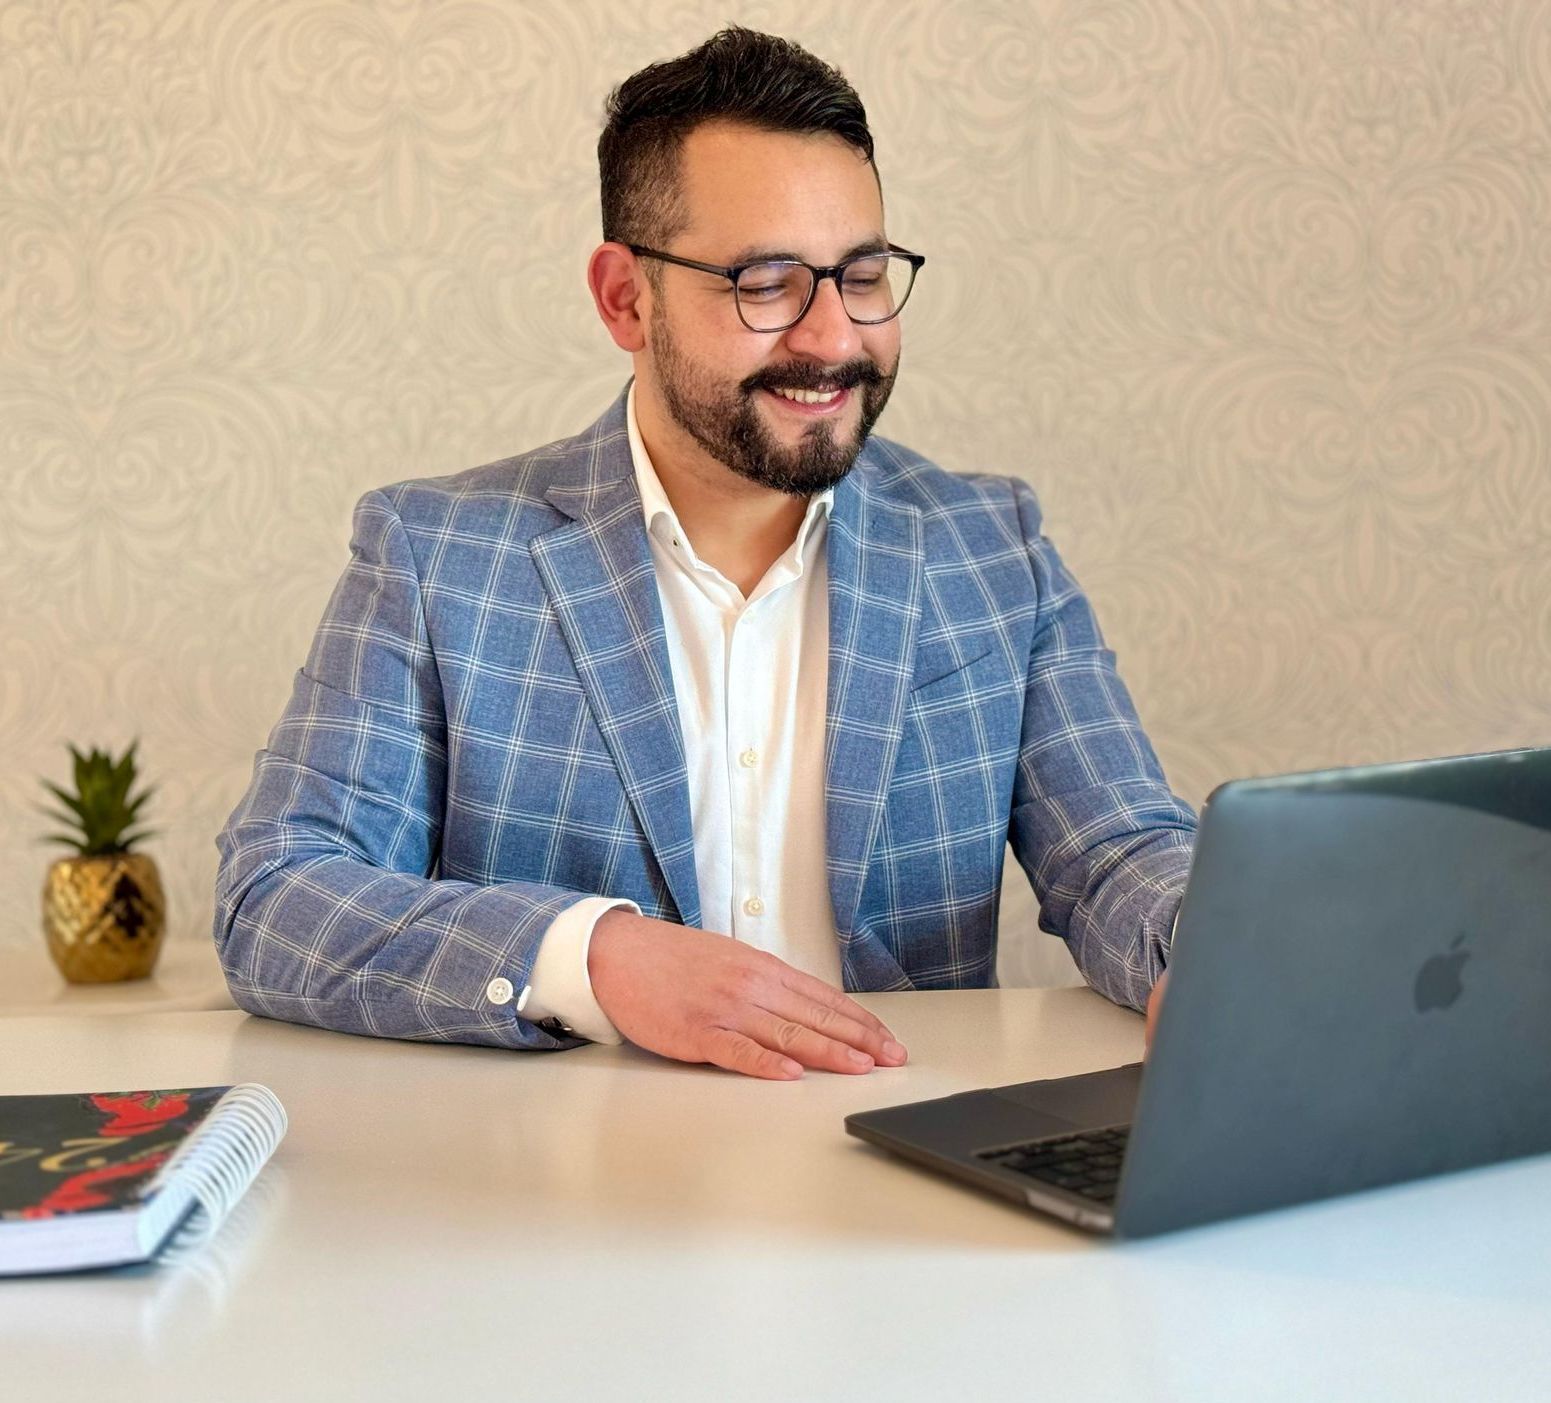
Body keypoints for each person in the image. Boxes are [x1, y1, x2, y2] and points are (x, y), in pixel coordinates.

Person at [214, 27, 1196, 1081]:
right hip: (560, 1168)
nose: (833, 338)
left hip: (905, 1152)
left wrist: (1207, 952)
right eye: (766, 282)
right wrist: (594, 955)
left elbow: (1120, 854)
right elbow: (275, 894)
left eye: (863, 275)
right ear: (625, 299)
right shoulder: (436, 556)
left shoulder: (990, 548)